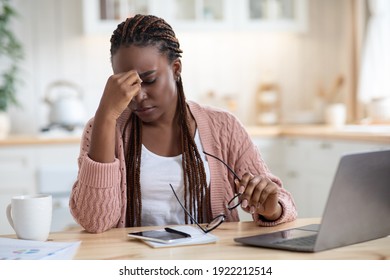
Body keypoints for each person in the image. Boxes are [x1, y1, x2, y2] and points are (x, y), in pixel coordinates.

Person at [69, 14, 297, 233]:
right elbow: (94, 221)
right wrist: (106, 116)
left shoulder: (223, 126)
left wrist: (271, 208)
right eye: (126, 85)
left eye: (148, 80)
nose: (138, 96)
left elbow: (284, 202)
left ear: (176, 69)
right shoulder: (103, 128)